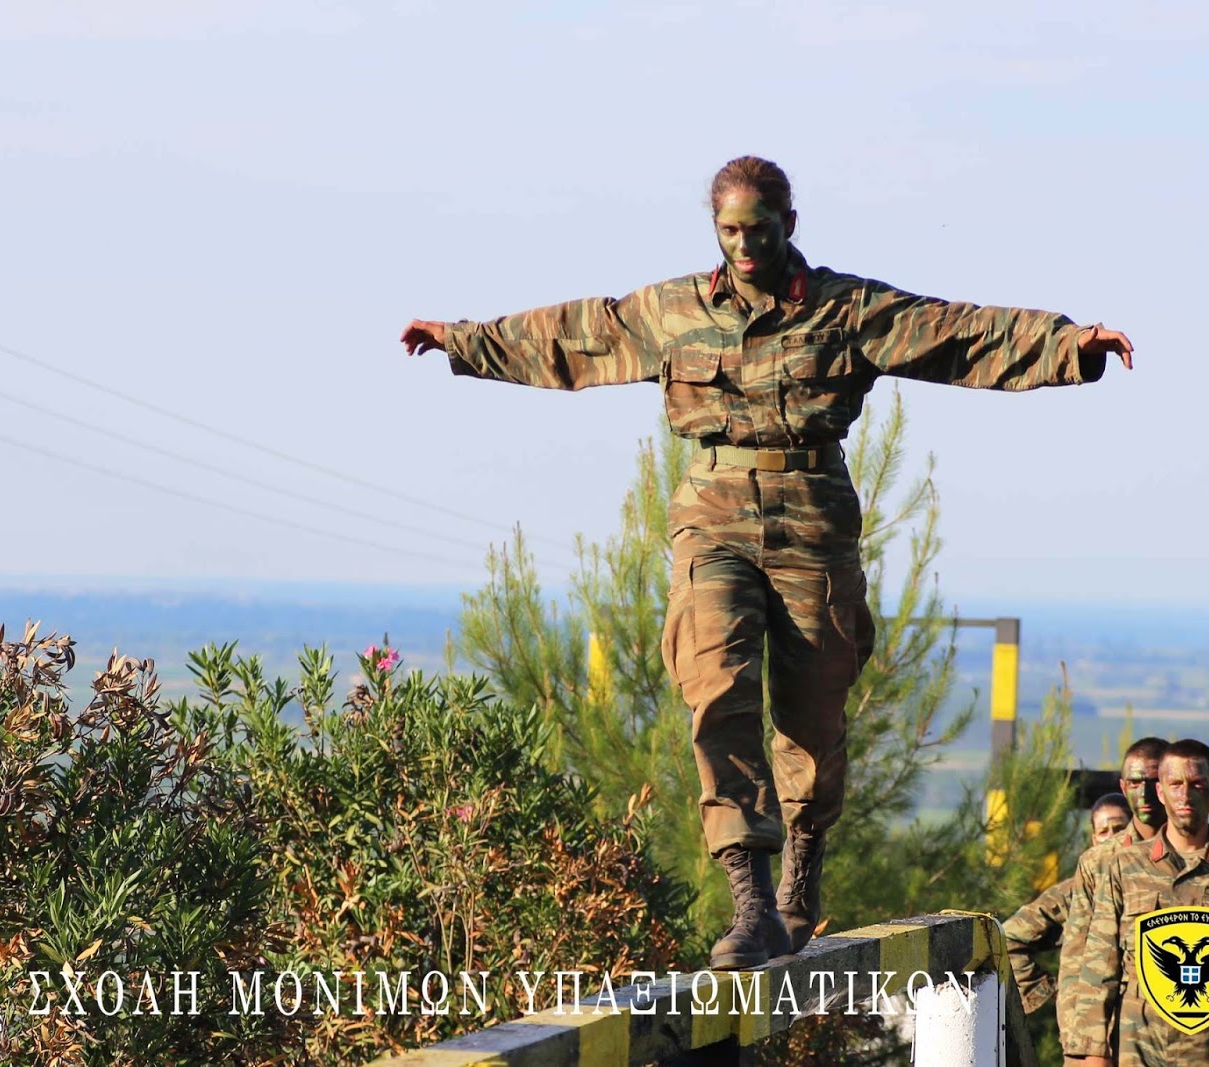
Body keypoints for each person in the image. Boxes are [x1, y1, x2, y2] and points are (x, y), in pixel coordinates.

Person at [401, 155, 1135, 970]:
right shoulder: (672, 310)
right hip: (710, 515)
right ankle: (749, 898)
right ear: (714, 230)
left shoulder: (846, 308)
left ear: (790, 222)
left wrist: (1070, 345)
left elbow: (955, 331)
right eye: (730, 230)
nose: (745, 245)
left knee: (813, 714)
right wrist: (461, 341)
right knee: (714, 686)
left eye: (760, 227)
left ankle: (802, 868)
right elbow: (571, 333)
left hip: (813, 518)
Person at [1070, 740, 1209, 1067]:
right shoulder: (1124, 866)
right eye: (1176, 784)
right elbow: (1099, 967)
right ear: (1161, 791)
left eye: (1197, 784)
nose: (1186, 794)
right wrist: (1093, 1054)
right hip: (1137, 1050)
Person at [1059, 737, 1171, 1050]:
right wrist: (1079, 1044)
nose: (1146, 793)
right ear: (1123, 786)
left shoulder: (1197, 857)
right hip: (1116, 1033)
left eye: (1154, 781)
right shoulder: (1099, 862)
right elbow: (1077, 959)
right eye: (1136, 782)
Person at [1007, 793, 1134, 1014]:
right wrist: (1054, 994)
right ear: (1094, 840)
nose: (1113, 838)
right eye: (1104, 832)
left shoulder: (1155, 885)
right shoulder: (1073, 893)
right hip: (1089, 1023)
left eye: (1120, 829)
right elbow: (1007, 938)